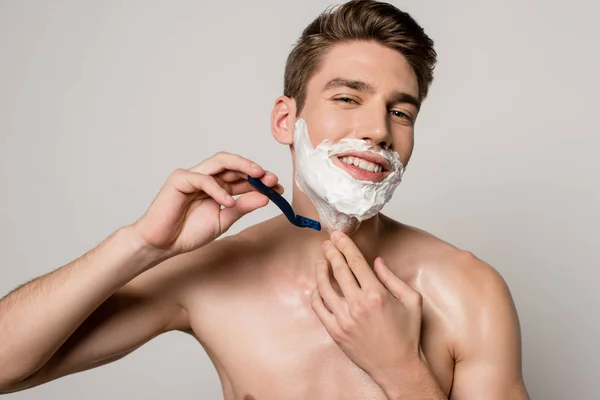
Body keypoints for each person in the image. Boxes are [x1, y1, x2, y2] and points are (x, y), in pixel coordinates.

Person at [0, 1, 529, 399]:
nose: (377, 129)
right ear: (285, 120)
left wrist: (400, 370)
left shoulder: (465, 289)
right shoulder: (210, 276)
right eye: (347, 98)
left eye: (401, 112)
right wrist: (139, 244)